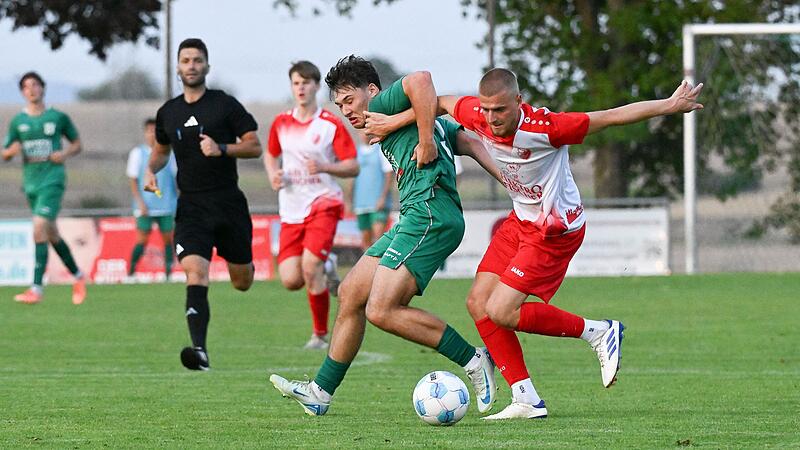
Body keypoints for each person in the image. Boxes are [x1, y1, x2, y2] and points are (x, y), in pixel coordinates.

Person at [366, 68, 704, 419]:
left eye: (499, 110)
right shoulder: (476, 113)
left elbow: (610, 117)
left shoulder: (547, 129)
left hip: (554, 230)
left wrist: (668, 104)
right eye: (485, 110)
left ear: (518, 102)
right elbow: (436, 103)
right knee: (478, 303)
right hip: (520, 222)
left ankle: (600, 332)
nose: (491, 119)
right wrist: (392, 125)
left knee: (502, 310)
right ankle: (525, 398)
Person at [269, 55, 503, 417]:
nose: (346, 110)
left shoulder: (384, 104)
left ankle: (475, 359)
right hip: (414, 216)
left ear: (373, 91)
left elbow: (422, 79)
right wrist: (510, 182)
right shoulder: (403, 117)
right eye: (339, 104)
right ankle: (320, 392)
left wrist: (424, 139)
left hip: (429, 213)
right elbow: (469, 143)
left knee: (381, 309)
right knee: (350, 294)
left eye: (349, 100)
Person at [145, 38, 262, 371]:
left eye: (197, 60)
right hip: (191, 208)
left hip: (228, 204)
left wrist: (222, 148)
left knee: (242, 282)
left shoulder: (224, 105)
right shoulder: (168, 112)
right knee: (195, 271)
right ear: (178, 67)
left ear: (207, 66)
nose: (192, 65)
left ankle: (246, 264)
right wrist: (151, 171)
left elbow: (255, 146)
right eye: (186, 60)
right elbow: (161, 151)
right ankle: (200, 352)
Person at [265, 61, 359, 350]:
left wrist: (324, 166)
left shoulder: (329, 124)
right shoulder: (281, 122)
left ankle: (319, 335)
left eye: (306, 82)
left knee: (309, 267)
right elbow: (270, 155)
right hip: (291, 209)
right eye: (296, 83)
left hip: (323, 203)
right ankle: (328, 263)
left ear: (317, 86)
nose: (301, 88)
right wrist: (273, 174)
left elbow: (352, 166)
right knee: (291, 279)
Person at [1, 71, 87, 305]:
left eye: (35, 85)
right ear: (22, 92)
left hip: (53, 181)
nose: (31, 89)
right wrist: (11, 151)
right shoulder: (19, 122)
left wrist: (65, 153)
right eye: (26, 86)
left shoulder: (57, 117)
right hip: (31, 184)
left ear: (43, 88)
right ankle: (79, 277)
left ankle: (36, 289)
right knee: (51, 233)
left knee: (39, 227)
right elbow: (5, 152)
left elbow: (77, 144)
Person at [126, 118, 178, 281]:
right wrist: (140, 202)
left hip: (166, 204)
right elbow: (133, 179)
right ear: (145, 133)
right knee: (142, 239)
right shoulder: (137, 153)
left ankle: (168, 275)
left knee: (168, 239)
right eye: (149, 131)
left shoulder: (170, 152)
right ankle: (131, 274)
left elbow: (177, 177)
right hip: (145, 205)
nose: (152, 134)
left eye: (155, 131)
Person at [346, 131, 393, 251]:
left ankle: (380, 267)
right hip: (361, 203)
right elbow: (352, 178)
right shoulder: (356, 153)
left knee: (379, 239)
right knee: (365, 241)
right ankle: (368, 268)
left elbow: (389, 175)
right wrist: (349, 199)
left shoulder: (380, 150)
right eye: (361, 132)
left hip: (377, 203)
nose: (363, 134)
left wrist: (383, 197)